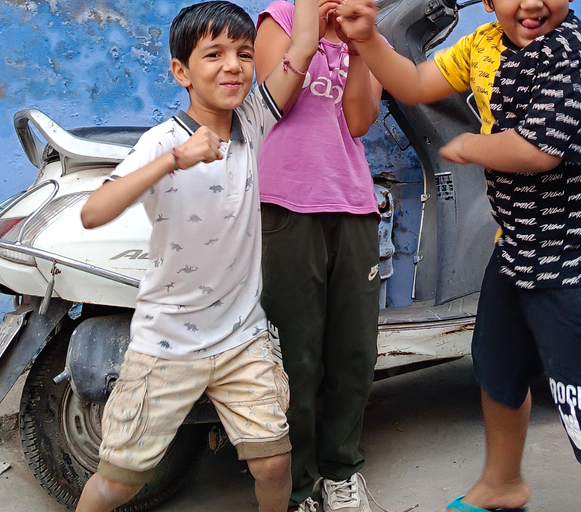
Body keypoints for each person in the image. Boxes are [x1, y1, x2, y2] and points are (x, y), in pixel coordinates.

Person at [335, 0, 581, 511]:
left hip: (580, 264)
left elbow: (537, 151)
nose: (531, 3)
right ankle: (503, 484)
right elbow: (418, 85)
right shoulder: (485, 44)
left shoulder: (571, 55)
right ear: (488, 2)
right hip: (516, 252)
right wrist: (368, 41)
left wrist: (470, 147)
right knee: (498, 370)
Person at [75, 0, 321, 510]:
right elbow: (93, 213)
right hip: (166, 346)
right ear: (181, 71)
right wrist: (173, 161)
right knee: (119, 481)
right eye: (214, 54)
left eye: (244, 53)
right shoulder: (160, 141)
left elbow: (301, 49)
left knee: (275, 463)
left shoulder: (251, 122)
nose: (232, 65)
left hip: (241, 337)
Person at [253, 0, 384, 510]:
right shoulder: (279, 18)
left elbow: (357, 121)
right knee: (295, 357)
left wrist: (355, 42)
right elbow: (271, 103)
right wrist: (309, 34)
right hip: (286, 205)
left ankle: (341, 472)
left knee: (354, 353)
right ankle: (296, 485)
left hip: (352, 205)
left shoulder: (371, 37)